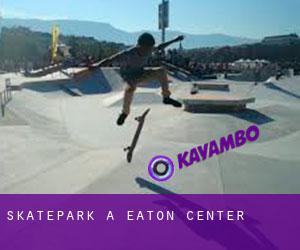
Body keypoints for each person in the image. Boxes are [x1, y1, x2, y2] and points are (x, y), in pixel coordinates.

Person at [82, 33, 184, 126]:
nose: (148, 52)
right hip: (129, 77)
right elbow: (110, 59)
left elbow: (160, 46)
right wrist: (97, 65)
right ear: (140, 46)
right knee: (130, 89)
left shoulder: (149, 48)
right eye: (147, 49)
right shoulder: (128, 53)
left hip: (141, 73)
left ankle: (166, 97)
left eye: (150, 49)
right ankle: (124, 113)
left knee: (161, 71)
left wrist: (174, 40)